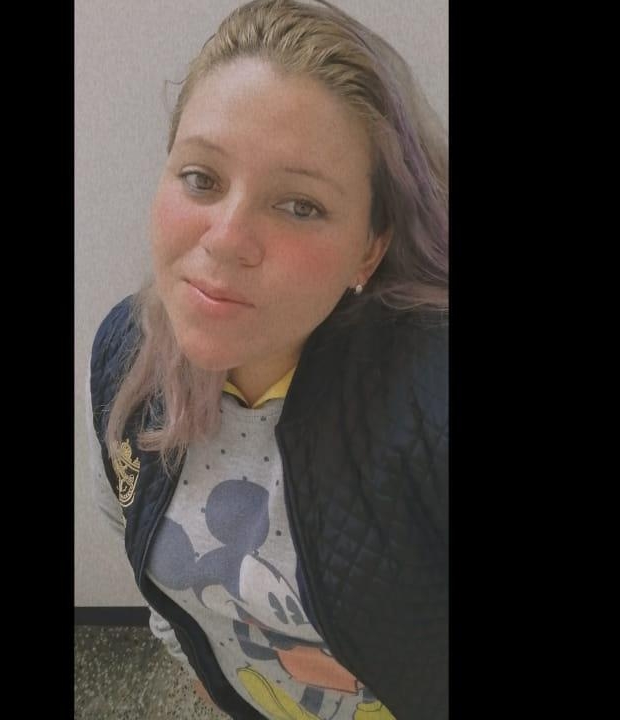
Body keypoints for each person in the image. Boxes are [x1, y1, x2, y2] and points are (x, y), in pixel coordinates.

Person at [87, 1, 448, 718]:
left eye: (299, 206)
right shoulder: (127, 348)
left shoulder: (429, 406)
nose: (226, 240)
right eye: (201, 178)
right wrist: (196, 662)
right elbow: (130, 525)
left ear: (369, 249)